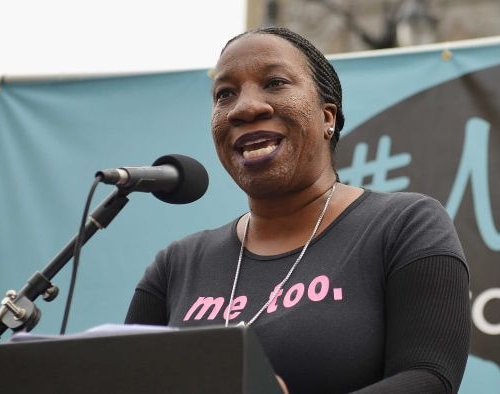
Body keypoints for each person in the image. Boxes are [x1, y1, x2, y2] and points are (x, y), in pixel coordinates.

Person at [125, 26, 471, 394]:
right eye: (225, 94)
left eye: (274, 83)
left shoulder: (404, 226)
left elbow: (429, 378)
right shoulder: (176, 265)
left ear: (328, 118)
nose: (245, 107)